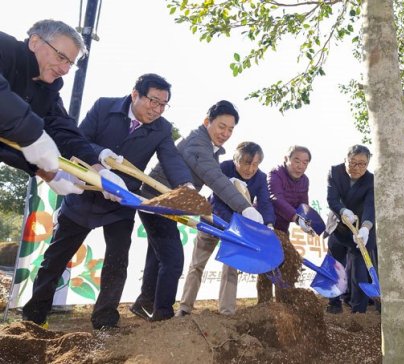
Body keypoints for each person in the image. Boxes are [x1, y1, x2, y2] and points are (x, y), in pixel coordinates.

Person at [22, 73, 193, 329]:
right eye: (153, 101)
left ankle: (105, 321)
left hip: (120, 203)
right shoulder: (104, 107)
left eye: (163, 104)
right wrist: (99, 154)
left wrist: (186, 186)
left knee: (117, 262)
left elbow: (172, 158)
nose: (157, 109)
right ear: (135, 94)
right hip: (83, 196)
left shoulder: (162, 129)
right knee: (56, 258)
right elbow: (78, 137)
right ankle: (34, 317)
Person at [136, 100, 261, 318]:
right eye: (221, 126)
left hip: (167, 203)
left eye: (231, 129)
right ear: (207, 122)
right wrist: (245, 207)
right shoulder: (197, 145)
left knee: (158, 256)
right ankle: (163, 314)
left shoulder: (209, 147)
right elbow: (215, 178)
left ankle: (145, 302)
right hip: (156, 200)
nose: (226, 133)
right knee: (173, 260)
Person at [0, 19, 118, 196]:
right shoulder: (4, 47)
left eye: (70, 63)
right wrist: (33, 134)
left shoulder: (48, 90)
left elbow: (62, 129)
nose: (65, 69)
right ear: (35, 42)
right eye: (61, 57)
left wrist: (97, 168)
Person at [169, 142, 273, 316]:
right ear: (236, 160)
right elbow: (217, 201)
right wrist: (228, 222)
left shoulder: (260, 178)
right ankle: (185, 307)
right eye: (247, 163)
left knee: (231, 268)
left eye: (255, 164)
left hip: (236, 230)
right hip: (213, 222)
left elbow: (264, 202)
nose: (251, 169)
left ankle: (227, 311)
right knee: (197, 265)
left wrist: (268, 224)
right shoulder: (224, 168)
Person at [257, 145, 314, 304]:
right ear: (286, 159)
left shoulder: (304, 181)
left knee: (287, 263)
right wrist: (297, 218)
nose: (300, 166)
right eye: (296, 161)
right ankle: (264, 305)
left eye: (305, 162)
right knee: (267, 264)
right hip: (266, 225)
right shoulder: (275, 174)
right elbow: (276, 199)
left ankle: (285, 304)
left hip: (282, 228)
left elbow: (303, 205)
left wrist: (307, 221)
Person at [325, 145, 376, 314]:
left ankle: (358, 310)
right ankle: (334, 302)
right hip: (339, 226)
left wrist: (366, 228)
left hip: (359, 230)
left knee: (359, 270)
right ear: (345, 159)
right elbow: (332, 199)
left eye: (363, 164)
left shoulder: (371, 180)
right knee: (335, 265)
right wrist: (342, 211)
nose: (357, 168)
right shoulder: (334, 172)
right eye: (353, 163)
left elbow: (370, 206)